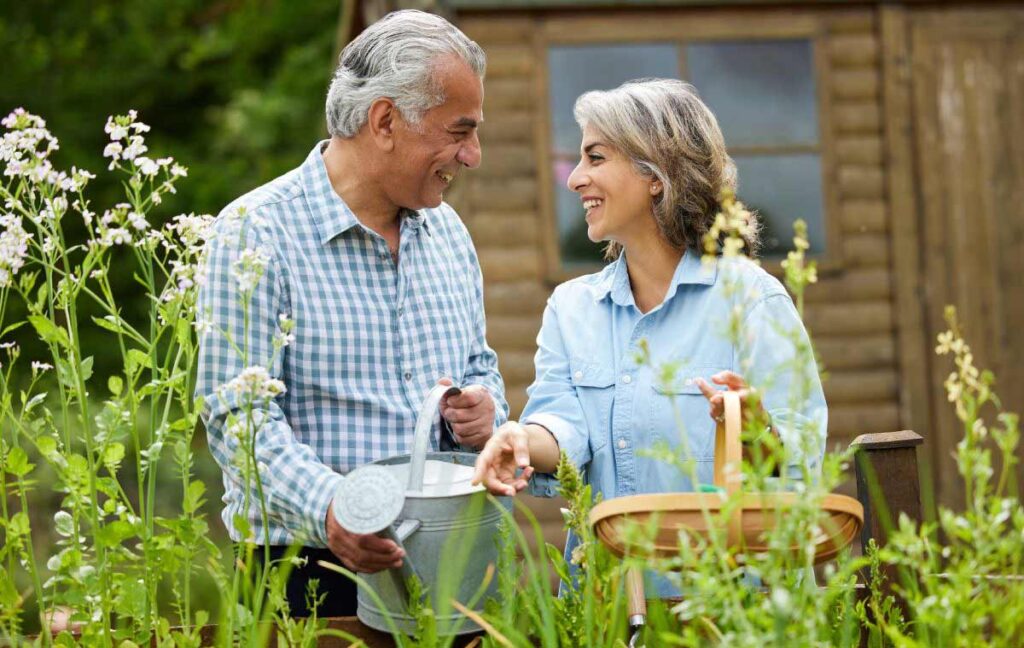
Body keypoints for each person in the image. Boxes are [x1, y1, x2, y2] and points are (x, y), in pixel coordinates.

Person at [196, 10, 507, 617]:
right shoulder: (255, 232)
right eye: (458, 131)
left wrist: (484, 410)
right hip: (307, 572)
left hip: (453, 564)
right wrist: (336, 506)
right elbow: (238, 418)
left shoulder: (448, 233)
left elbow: (480, 364)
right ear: (385, 120)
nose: (472, 155)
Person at [471, 79, 827, 595]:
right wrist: (518, 438)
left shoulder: (753, 301)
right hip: (616, 608)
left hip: (736, 614)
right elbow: (564, 427)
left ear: (656, 174)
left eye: (596, 157)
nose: (575, 179)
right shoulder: (572, 310)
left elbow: (804, 465)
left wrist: (759, 433)